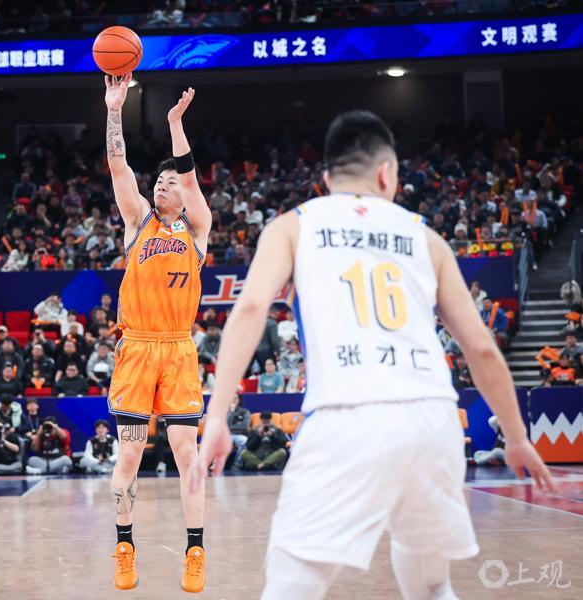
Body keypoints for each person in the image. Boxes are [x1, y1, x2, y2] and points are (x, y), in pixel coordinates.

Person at [195, 110, 554, 600]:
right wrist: (515, 437)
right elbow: (482, 349)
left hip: (347, 415)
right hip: (433, 419)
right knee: (432, 584)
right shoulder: (426, 236)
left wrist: (217, 415)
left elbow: (253, 307)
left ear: (326, 179)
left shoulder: (293, 226)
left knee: (291, 586)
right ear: (387, 174)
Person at [105, 74, 210, 592]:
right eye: (159, 181)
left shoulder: (197, 229)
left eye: (171, 182)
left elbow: (189, 176)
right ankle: (125, 546)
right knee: (129, 454)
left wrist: (174, 124)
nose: (163, 185)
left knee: (188, 455)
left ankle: (195, 551)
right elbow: (118, 165)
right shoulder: (137, 222)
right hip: (138, 348)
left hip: (178, 350)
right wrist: (114, 108)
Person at [226, 393, 251, 467]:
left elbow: (244, 426)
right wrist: (231, 412)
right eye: (231, 398)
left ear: (239, 400)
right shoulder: (224, 411)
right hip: (226, 435)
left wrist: (230, 428)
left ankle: (237, 464)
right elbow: (222, 425)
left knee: (244, 441)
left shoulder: (245, 412)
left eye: (235, 398)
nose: (233, 400)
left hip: (239, 435)